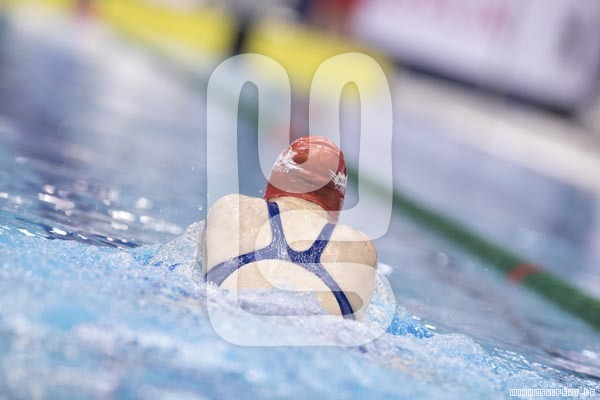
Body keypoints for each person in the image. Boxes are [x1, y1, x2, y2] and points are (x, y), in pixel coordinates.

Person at [202, 136, 377, 320]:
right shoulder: (360, 247)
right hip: (321, 329)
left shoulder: (234, 209)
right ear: (337, 203)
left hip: (234, 312)